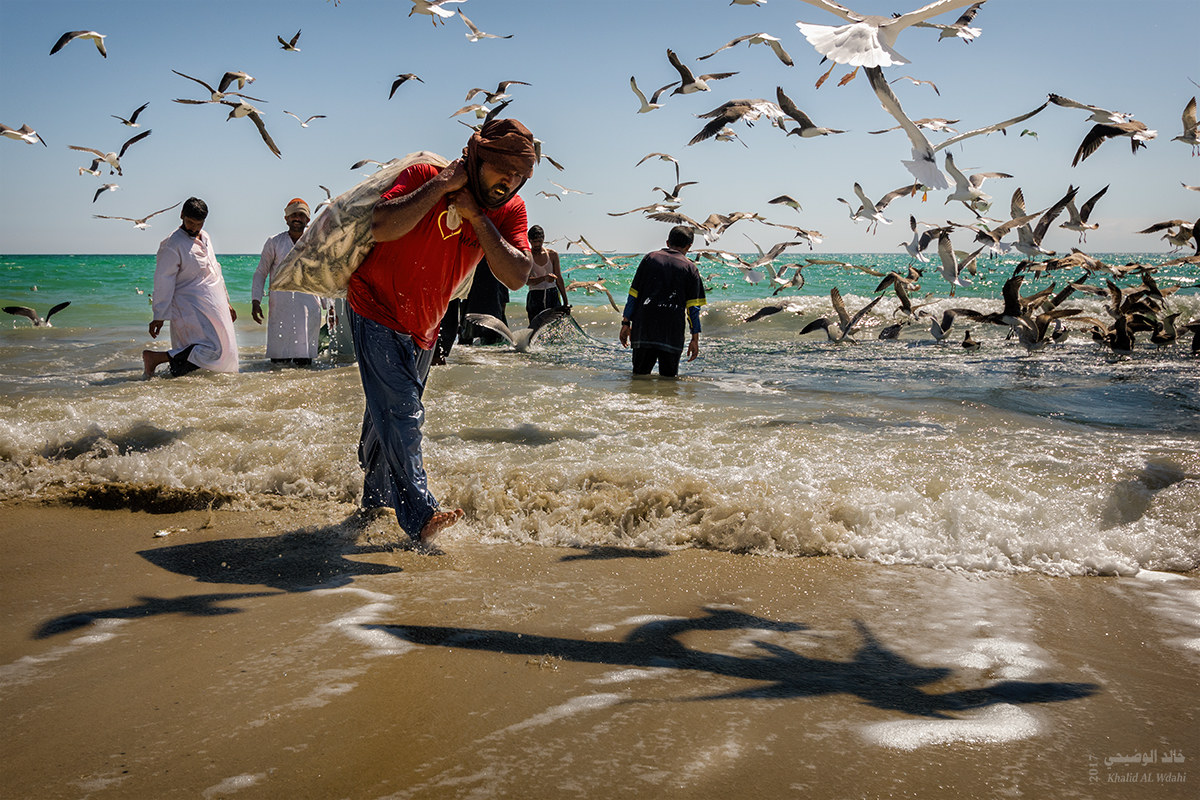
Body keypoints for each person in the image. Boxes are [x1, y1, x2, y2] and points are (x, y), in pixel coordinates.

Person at [347, 118, 537, 546]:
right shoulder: (424, 177)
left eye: (519, 175)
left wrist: (477, 217)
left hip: (425, 328)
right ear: (477, 157)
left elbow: (517, 275)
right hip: (373, 306)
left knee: (384, 421)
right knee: (403, 413)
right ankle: (420, 516)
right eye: (502, 170)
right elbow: (382, 226)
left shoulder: (509, 211)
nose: (509, 182)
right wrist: (440, 188)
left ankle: (372, 503)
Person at [142, 197, 239, 378]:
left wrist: (227, 301)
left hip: (213, 304)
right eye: (190, 222)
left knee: (225, 348)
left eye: (198, 224)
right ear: (181, 216)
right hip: (189, 307)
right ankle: (155, 358)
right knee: (211, 349)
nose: (193, 228)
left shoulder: (206, 237)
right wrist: (159, 315)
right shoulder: (172, 244)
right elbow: (163, 281)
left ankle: (182, 384)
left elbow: (215, 269)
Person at [619, 225, 706, 377]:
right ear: (689, 246)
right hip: (671, 334)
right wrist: (695, 339)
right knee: (668, 381)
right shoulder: (690, 268)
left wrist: (626, 323)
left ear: (667, 242)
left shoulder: (649, 258)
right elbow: (693, 309)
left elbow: (633, 294)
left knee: (639, 378)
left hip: (644, 330)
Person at [251, 198, 325, 366]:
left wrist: (331, 307)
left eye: (301, 215)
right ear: (286, 218)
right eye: (293, 215)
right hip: (280, 307)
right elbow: (261, 272)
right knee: (278, 363)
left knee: (304, 362)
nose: (297, 218)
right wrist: (256, 301)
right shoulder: (274, 242)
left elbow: (324, 274)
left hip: (309, 307)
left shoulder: (316, 242)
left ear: (307, 219)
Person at [524, 225, 569, 325]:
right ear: (529, 240)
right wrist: (544, 278)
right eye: (534, 242)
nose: (536, 245)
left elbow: (559, 279)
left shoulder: (552, 254)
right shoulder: (527, 256)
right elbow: (527, 281)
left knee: (555, 327)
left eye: (539, 241)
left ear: (543, 239)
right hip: (535, 296)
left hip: (552, 294)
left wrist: (565, 301)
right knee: (535, 328)